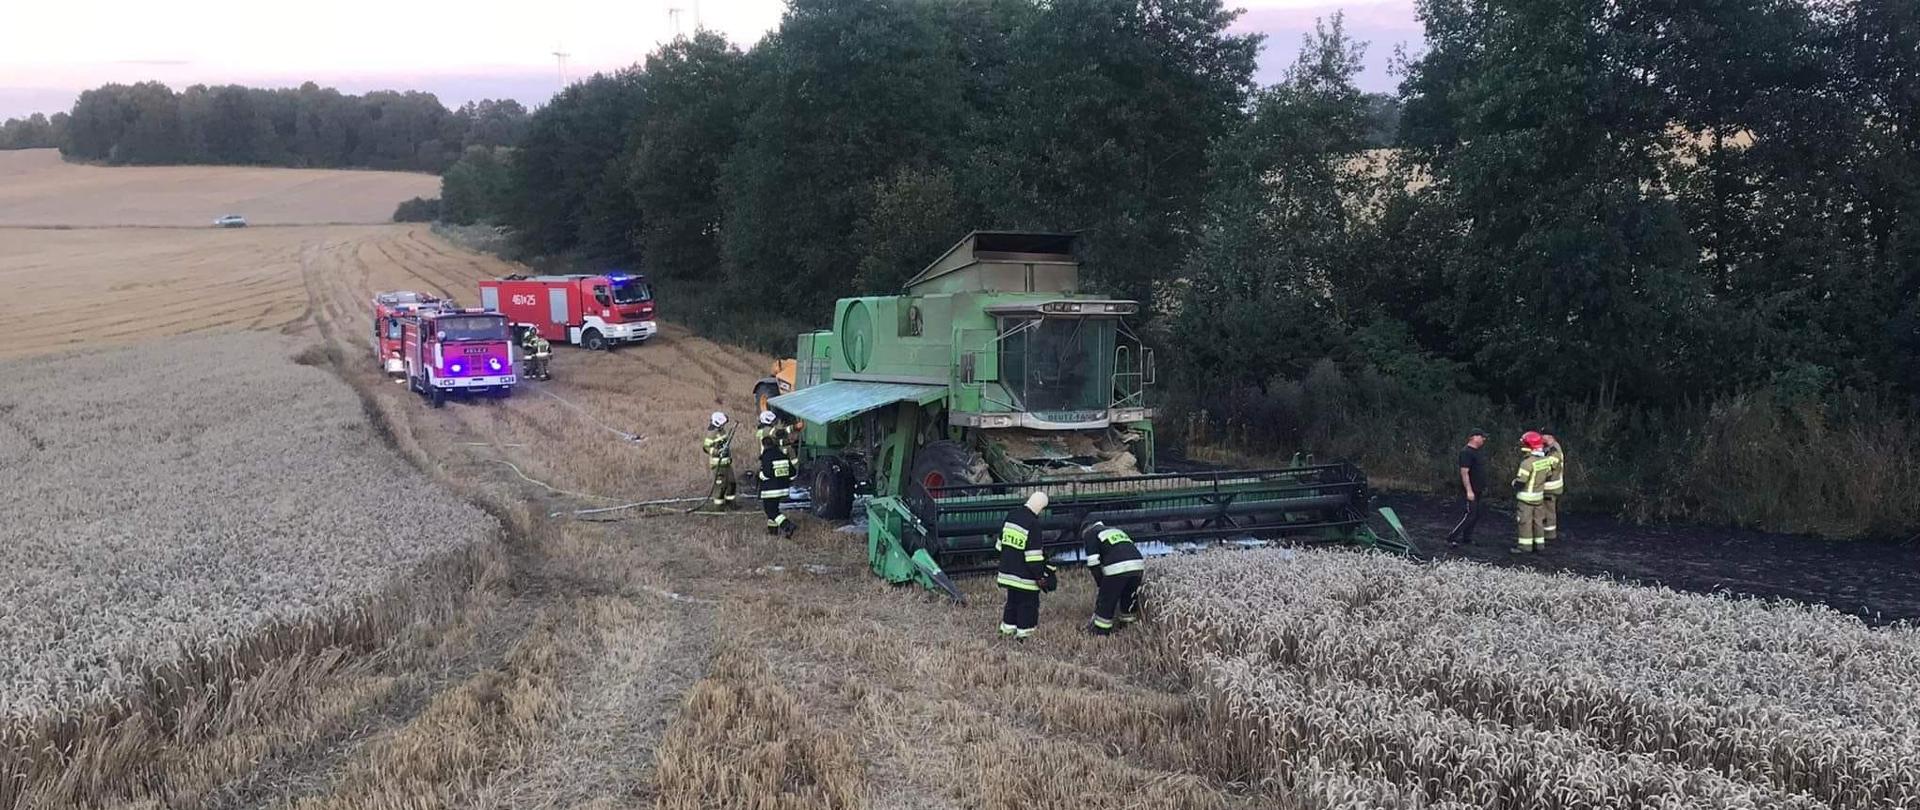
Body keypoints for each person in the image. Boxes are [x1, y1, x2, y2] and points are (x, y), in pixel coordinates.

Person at [997, 491, 1052, 640]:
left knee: (1012, 602)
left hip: (1007, 572)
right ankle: (1024, 635)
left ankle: (1007, 631)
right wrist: (1040, 576)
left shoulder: (1011, 515)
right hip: (1024, 577)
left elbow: (999, 545)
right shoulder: (1033, 524)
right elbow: (1033, 558)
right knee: (1027, 605)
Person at [1080, 520, 1144, 635]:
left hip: (1117, 566)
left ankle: (1101, 632)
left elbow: (1093, 562)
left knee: (1106, 602)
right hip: (1138, 565)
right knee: (1128, 601)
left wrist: (1101, 583)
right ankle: (1128, 629)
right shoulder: (1115, 530)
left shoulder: (1090, 533)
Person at [1510, 431, 1553, 554]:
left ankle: (1525, 547)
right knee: (1538, 522)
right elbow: (1549, 475)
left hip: (1526, 499)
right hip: (1539, 498)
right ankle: (1540, 545)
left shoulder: (1527, 463)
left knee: (1525, 522)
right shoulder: (1545, 460)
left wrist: (1513, 483)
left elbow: (1521, 482)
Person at [1446, 429, 1490, 547]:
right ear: (1473, 437)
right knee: (1470, 514)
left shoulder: (1478, 452)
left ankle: (1467, 538)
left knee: (1477, 514)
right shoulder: (1466, 452)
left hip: (1479, 489)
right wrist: (1469, 490)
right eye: (1481, 437)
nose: (1483, 439)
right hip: (1471, 489)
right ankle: (1452, 537)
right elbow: (1464, 472)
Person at [757, 441, 796, 537]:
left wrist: (759, 475)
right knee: (774, 509)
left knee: (771, 511)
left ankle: (787, 525)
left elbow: (766, 474)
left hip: (770, 490)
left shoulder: (767, 456)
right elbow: (793, 472)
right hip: (782, 489)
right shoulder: (782, 455)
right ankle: (773, 531)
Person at [702, 411, 738, 511]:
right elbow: (706, 448)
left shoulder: (722, 431)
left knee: (731, 483)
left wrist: (728, 456)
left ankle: (731, 503)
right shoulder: (711, 434)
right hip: (718, 465)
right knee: (720, 486)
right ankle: (719, 507)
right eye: (722, 424)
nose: (723, 425)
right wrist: (717, 452)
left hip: (726, 463)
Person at [1539, 428, 1565, 545]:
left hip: (1551, 487)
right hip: (1548, 486)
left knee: (1549, 511)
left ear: (1550, 436)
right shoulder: (1549, 448)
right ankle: (1547, 532)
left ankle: (1550, 534)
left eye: (1543, 435)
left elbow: (1549, 466)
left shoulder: (1555, 450)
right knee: (1546, 510)